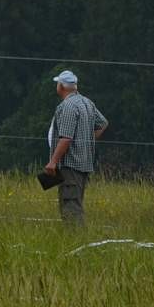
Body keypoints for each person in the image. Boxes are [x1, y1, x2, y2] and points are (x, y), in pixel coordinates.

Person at [42, 70, 108, 224]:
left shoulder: (67, 106)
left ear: (61, 86)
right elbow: (103, 124)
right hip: (84, 164)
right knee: (75, 202)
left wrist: (53, 162)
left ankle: (76, 236)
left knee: (70, 207)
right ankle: (76, 235)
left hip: (69, 166)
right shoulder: (87, 103)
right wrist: (86, 141)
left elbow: (65, 138)